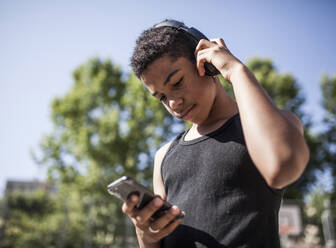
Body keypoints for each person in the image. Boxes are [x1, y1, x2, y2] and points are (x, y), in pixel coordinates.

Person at [122, 19, 309, 248]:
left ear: (207, 64)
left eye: (177, 82)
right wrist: (147, 235)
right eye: (161, 97)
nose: (173, 103)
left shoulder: (270, 127)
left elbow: (283, 165)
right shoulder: (164, 156)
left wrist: (235, 70)